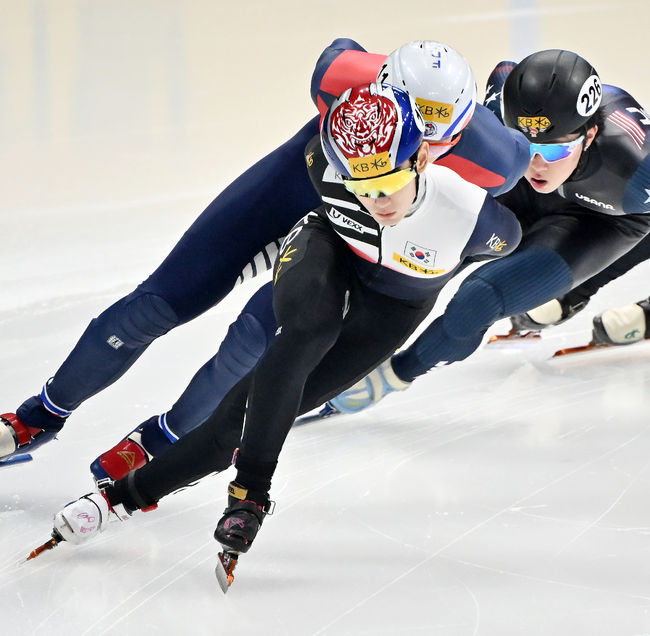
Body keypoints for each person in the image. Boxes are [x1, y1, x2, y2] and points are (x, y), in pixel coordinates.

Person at [48, 83, 522, 569]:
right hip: (330, 249)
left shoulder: (478, 220)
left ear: (422, 158)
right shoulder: (324, 162)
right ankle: (247, 496)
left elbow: (492, 249)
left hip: (395, 303)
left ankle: (123, 497)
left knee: (242, 416)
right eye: (361, 188)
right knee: (305, 333)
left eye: (385, 185)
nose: (376, 200)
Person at [0, 40, 529, 470]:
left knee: (253, 342)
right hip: (302, 180)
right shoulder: (342, 76)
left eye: (444, 143)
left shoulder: (495, 161)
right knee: (158, 303)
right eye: (411, 134)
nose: (423, 155)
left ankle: (161, 441)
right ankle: (37, 417)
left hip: (366, 229)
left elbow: (500, 208)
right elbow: (341, 52)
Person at [326, 48, 650, 415]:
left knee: (479, 299)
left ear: (590, 136)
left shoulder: (636, 168)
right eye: (525, 145)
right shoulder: (500, 99)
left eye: (555, 151)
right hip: (521, 192)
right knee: (415, 258)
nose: (537, 163)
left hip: (602, 220)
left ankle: (388, 378)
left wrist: (587, 283)